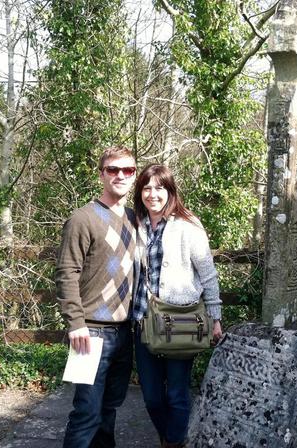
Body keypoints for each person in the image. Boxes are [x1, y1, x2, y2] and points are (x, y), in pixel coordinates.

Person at [132, 164, 223, 448]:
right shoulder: (135, 224)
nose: (152, 194)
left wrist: (215, 317)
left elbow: (208, 273)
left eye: (159, 187)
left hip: (180, 320)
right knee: (152, 396)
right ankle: (168, 436)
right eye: (147, 187)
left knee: (177, 394)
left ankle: (173, 442)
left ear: (171, 191)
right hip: (143, 320)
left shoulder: (188, 225)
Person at [55, 145, 139, 448]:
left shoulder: (134, 219)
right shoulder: (83, 218)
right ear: (101, 174)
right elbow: (66, 273)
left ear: (134, 175)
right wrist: (75, 323)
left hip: (123, 332)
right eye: (112, 170)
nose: (120, 175)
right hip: (88, 332)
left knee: (110, 410)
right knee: (86, 413)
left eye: (127, 170)